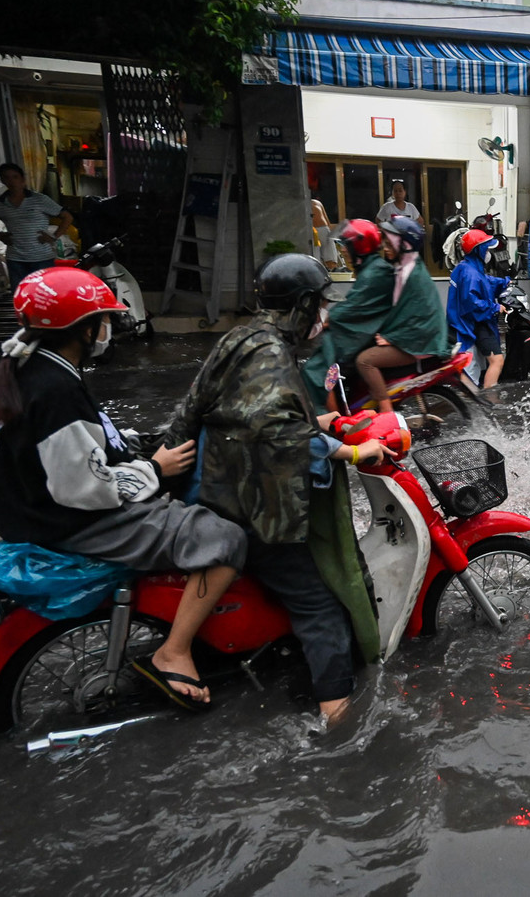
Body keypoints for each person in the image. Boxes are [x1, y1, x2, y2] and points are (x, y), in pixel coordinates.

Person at [0, 266, 248, 710]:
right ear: (83, 329)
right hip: (71, 522)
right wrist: (155, 468)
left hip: (35, 513)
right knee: (225, 539)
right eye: (103, 319)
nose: (108, 327)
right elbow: (86, 487)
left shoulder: (33, 369)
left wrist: (140, 448)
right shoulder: (54, 390)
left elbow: (89, 446)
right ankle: (174, 651)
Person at [164, 253, 394, 726]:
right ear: (304, 304)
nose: (324, 315)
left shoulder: (242, 337)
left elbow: (207, 408)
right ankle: (338, 718)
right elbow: (278, 433)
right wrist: (353, 452)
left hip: (217, 488)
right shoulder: (270, 353)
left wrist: (323, 421)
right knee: (320, 604)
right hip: (251, 506)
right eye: (321, 304)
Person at [301, 218, 447, 413]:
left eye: (390, 243)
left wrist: (392, 337)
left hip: (419, 342)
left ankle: (384, 414)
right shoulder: (401, 269)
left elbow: (416, 316)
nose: (343, 250)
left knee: (352, 363)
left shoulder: (399, 273)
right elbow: (393, 311)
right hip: (415, 337)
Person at [0, 162, 73, 290]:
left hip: (42, 258)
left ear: (22, 179)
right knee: (21, 294)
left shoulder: (40, 200)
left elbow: (67, 217)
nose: (11, 181)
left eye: (15, 177)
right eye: (7, 177)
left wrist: (53, 237)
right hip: (16, 259)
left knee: (44, 293)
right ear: (2, 180)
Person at [447, 227, 509, 389]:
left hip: (464, 322)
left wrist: (505, 282)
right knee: (496, 361)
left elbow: (485, 281)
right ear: (478, 250)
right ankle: (489, 398)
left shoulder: (466, 267)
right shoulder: (470, 273)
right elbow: (472, 303)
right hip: (473, 323)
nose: (488, 253)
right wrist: (495, 307)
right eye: (486, 249)